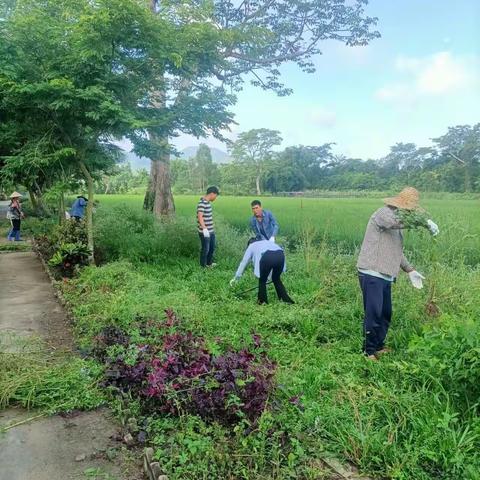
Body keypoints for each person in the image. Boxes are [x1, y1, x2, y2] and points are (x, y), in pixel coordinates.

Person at [356, 187, 439, 360]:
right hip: (372, 271)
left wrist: (410, 270)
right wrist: (423, 222)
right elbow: (393, 222)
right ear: (400, 205)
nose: (409, 213)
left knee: (386, 313)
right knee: (374, 312)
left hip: (385, 274)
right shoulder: (384, 214)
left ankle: (378, 346)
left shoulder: (398, 223)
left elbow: (396, 251)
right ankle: (368, 351)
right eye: (408, 210)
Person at [230, 238, 294, 305]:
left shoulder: (251, 246)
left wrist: (236, 277)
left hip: (268, 255)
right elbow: (278, 253)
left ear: (249, 244)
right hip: (280, 255)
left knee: (262, 281)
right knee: (276, 279)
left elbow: (244, 262)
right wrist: (284, 269)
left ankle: (262, 302)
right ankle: (286, 300)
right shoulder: (267, 242)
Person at [197, 186, 219, 268]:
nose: (215, 198)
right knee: (205, 249)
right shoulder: (202, 203)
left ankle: (209, 263)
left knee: (212, 247)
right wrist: (204, 228)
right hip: (205, 232)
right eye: (216, 196)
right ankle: (203, 266)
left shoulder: (207, 202)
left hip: (211, 230)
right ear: (212, 194)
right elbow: (200, 216)